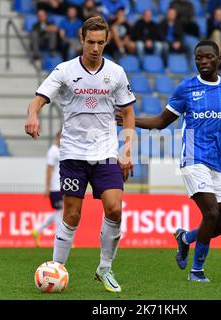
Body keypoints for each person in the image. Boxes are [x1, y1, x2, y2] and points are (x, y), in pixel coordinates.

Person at [25, 16, 135, 293]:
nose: (95, 48)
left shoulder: (117, 73)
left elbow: (128, 113)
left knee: (115, 208)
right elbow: (39, 98)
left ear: (106, 40)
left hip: (106, 153)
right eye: (90, 42)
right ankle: (56, 269)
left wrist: (128, 148)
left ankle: (105, 268)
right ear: (81, 39)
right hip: (73, 153)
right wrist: (32, 115)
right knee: (72, 215)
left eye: (100, 42)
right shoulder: (64, 70)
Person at [119, 40, 221, 282]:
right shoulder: (186, 88)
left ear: (218, 59)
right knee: (212, 213)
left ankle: (185, 238)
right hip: (194, 159)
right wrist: (128, 121)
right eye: (198, 58)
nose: (203, 61)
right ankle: (197, 271)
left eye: (208, 57)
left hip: (220, 163)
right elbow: (161, 121)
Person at [31, 131, 64, 248]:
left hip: (61, 186)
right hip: (55, 187)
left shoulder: (59, 151)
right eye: (63, 138)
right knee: (60, 212)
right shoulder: (53, 151)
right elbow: (49, 170)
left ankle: (37, 231)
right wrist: (47, 187)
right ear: (58, 137)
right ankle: (59, 240)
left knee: (59, 212)